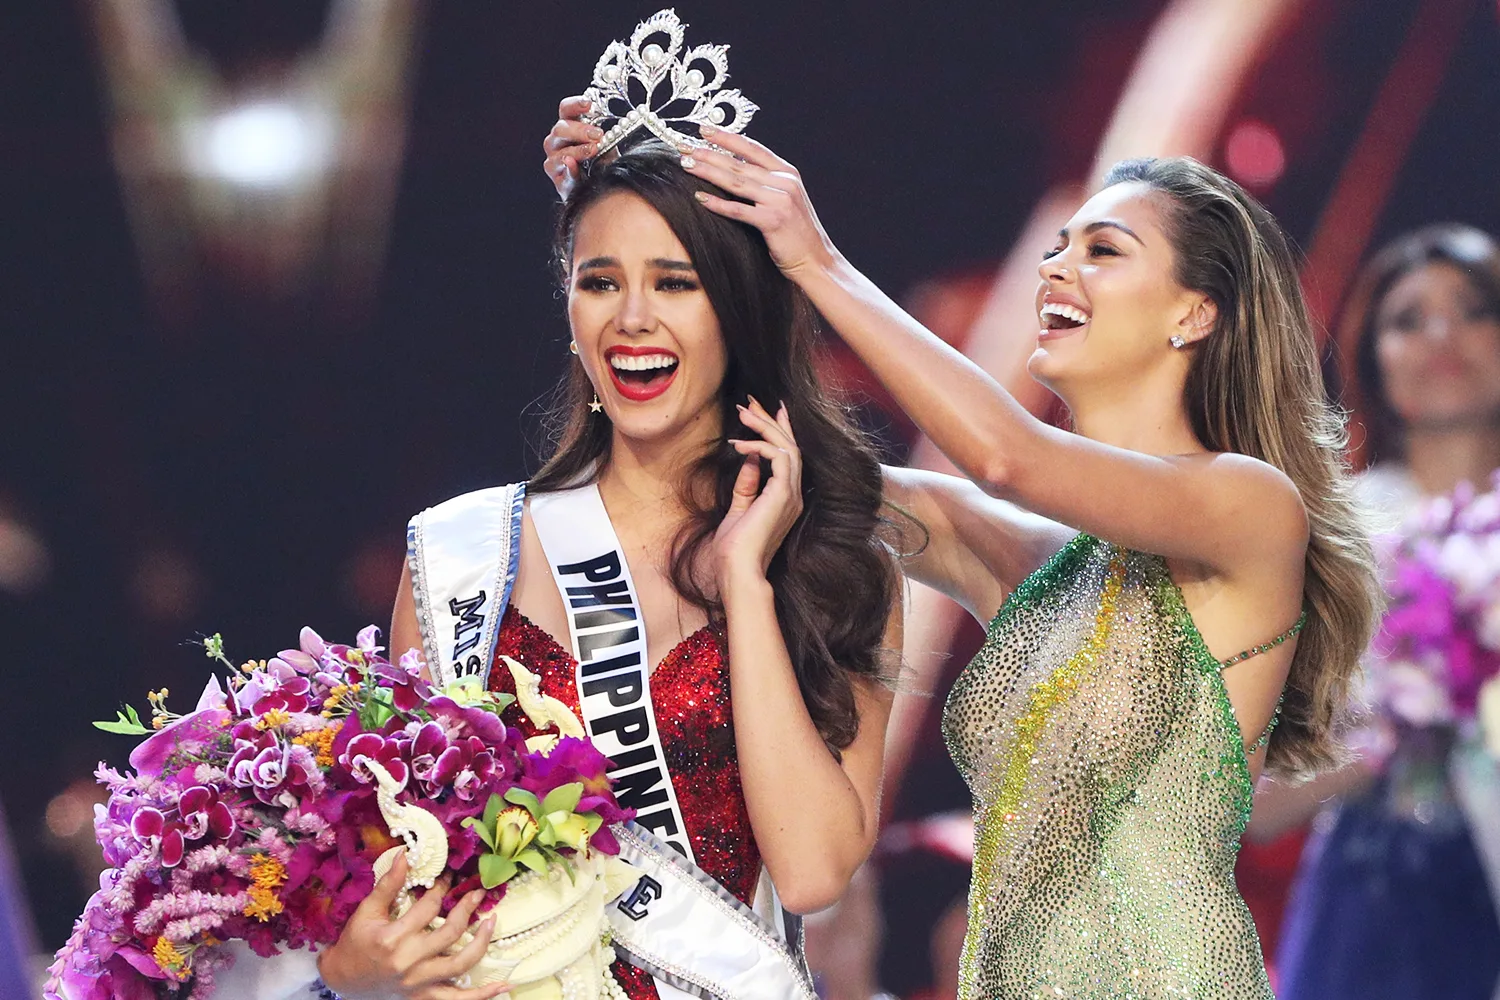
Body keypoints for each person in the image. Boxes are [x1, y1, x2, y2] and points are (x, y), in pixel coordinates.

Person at [543, 112, 1381, 997]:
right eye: (1058, 247)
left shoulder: (1252, 505)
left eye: (1103, 249)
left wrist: (817, 260)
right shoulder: (1024, 557)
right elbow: (767, 461)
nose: (1056, 267)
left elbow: (1006, 456)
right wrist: (639, 230)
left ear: (1193, 312)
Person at [311, 137, 903, 1000]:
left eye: (675, 282)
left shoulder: (835, 561)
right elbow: (411, 857)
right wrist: (355, 967)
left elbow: (813, 872)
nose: (631, 318)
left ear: (738, 311)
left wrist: (746, 583)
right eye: (600, 281)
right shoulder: (463, 551)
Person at [1258, 224, 1500, 1000]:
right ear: (1372, 359)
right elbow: (1252, 803)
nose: (1441, 336)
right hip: (1369, 907)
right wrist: (1384, 735)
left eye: (1473, 309)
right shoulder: (1324, 533)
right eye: (1406, 319)